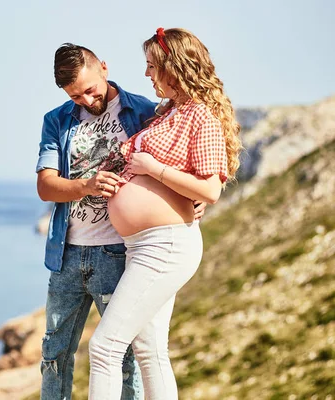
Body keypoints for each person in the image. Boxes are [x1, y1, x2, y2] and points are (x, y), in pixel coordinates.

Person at [35, 43, 207, 399]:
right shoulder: (56, 120)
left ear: (104, 69)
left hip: (119, 253)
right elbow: (45, 186)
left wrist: (191, 201)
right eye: (75, 96)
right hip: (66, 255)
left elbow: (185, 168)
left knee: (125, 354)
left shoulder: (146, 112)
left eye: (89, 90)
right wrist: (86, 185)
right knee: (54, 355)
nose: (85, 100)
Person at [87, 28, 243, 400]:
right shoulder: (167, 114)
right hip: (142, 244)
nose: (146, 74)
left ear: (175, 68)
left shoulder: (199, 116)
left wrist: (152, 168)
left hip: (166, 244)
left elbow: (209, 190)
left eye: (152, 66)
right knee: (150, 350)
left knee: (104, 347)